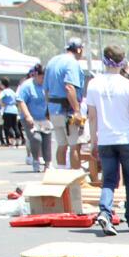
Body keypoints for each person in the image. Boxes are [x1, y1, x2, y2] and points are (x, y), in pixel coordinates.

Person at [83, 44, 129, 235]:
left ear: (104, 61)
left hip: (106, 139)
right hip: (126, 138)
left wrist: (93, 141)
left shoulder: (94, 84)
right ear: (123, 62)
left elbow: (92, 117)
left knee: (109, 179)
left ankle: (105, 212)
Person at [44, 38, 87, 168]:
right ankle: (75, 180)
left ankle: (62, 174)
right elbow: (69, 87)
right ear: (79, 49)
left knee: (61, 145)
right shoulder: (72, 63)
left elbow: (46, 90)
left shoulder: (52, 62)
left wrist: (48, 109)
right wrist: (77, 110)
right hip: (67, 110)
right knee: (75, 146)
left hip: (53, 109)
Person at [16, 64, 53, 172]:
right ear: (36, 75)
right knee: (36, 138)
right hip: (30, 117)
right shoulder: (27, 85)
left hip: (44, 117)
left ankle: (48, 164)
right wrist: (27, 116)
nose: (43, 80)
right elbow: (20, 100)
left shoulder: (47, 85)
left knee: (47, 140)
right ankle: (35, 160)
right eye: (42, 77)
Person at [0, 77, 20, 146]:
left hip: (7, 110)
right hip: (14, 110)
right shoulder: (12, 91)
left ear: (3, 85)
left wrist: (2, 104)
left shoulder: (4, 91)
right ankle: (18, 139)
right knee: (15, 126)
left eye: (0, 85)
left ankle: (12, 140)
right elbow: (17, 99)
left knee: (8, 126)